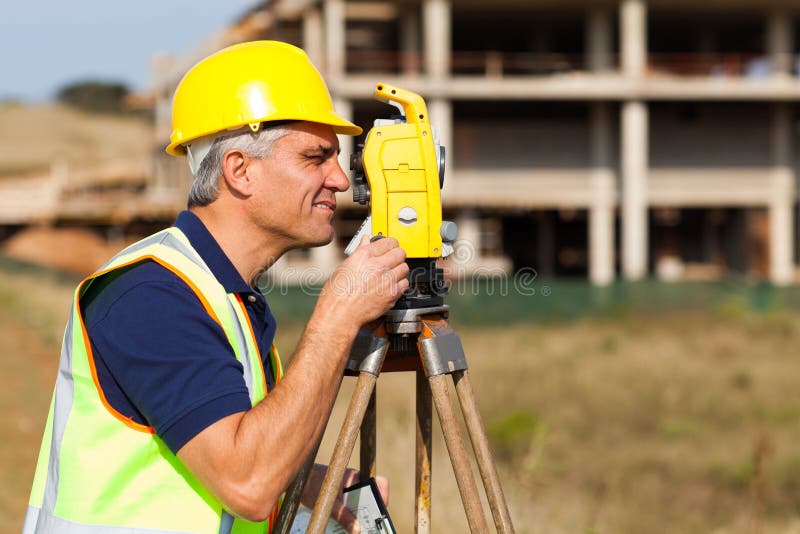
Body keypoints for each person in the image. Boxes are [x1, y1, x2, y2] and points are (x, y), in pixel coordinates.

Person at [23, 40, 409, 533]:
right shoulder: (151, 295)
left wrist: (306, 483)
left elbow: (213, 456)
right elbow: (247, 484)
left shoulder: (229, 300)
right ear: (240, 171)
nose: (339, 178)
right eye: (317, 157)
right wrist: (337, 317)